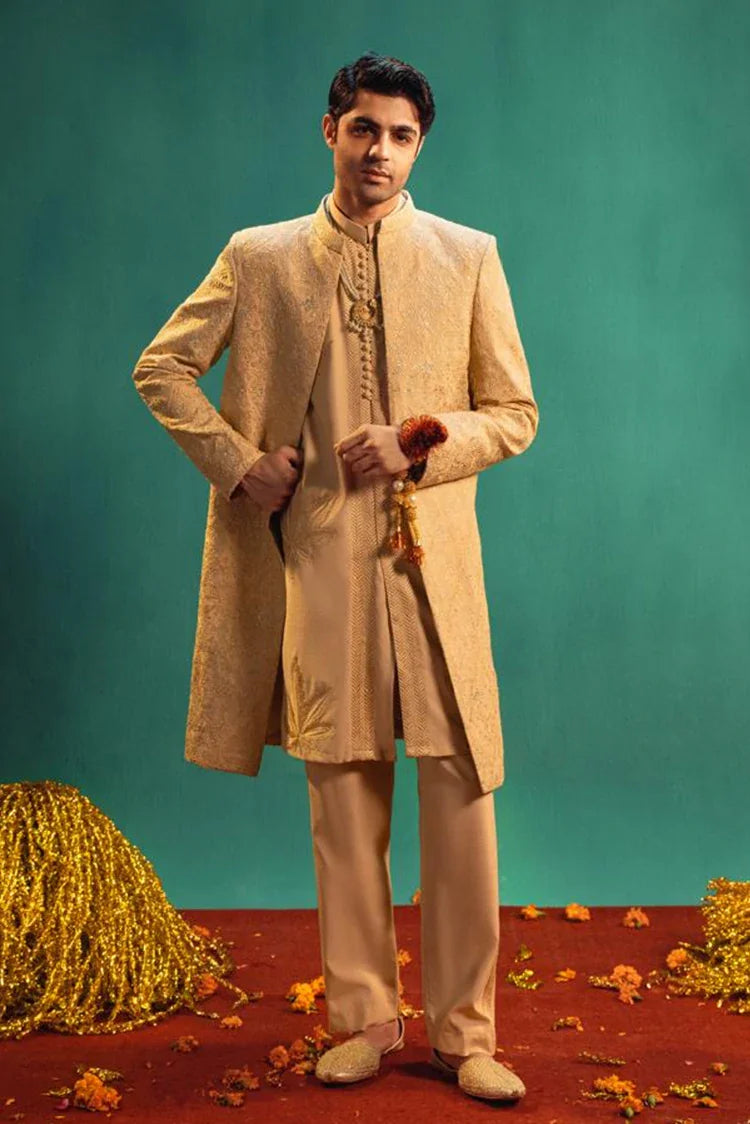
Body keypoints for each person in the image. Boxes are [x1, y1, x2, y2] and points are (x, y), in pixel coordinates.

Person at [132, 51, 538, 1103]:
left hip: (433, 571)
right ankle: (364, 1019)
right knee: (344, 802)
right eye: (364, 129)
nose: (380, 152)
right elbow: (161, 368)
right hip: (316, 565)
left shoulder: (468, 256)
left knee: (460, 791)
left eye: (401, 135)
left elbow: (515, 413)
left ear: (420, 145)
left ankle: (465, 1033)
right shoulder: (260, 256)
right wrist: (239, 463)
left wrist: (419, 444)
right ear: (330, 131)